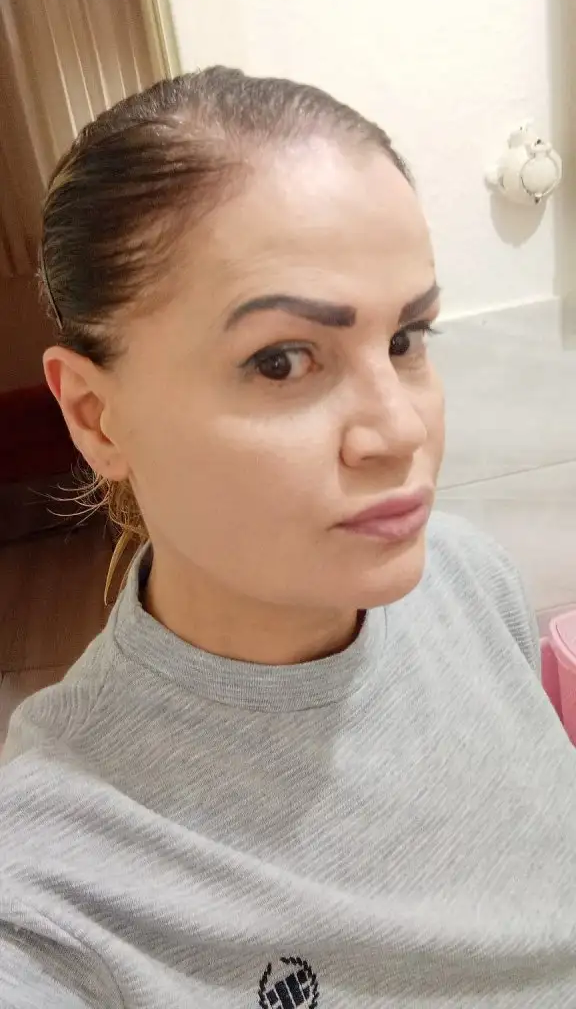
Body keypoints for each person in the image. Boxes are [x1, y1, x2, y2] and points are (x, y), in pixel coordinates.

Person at [0, 67, 573, 1009]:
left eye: (406, 339)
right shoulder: (53, 891)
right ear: (97, 416)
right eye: (280, 361)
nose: (399, 430)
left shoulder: (471, 579)